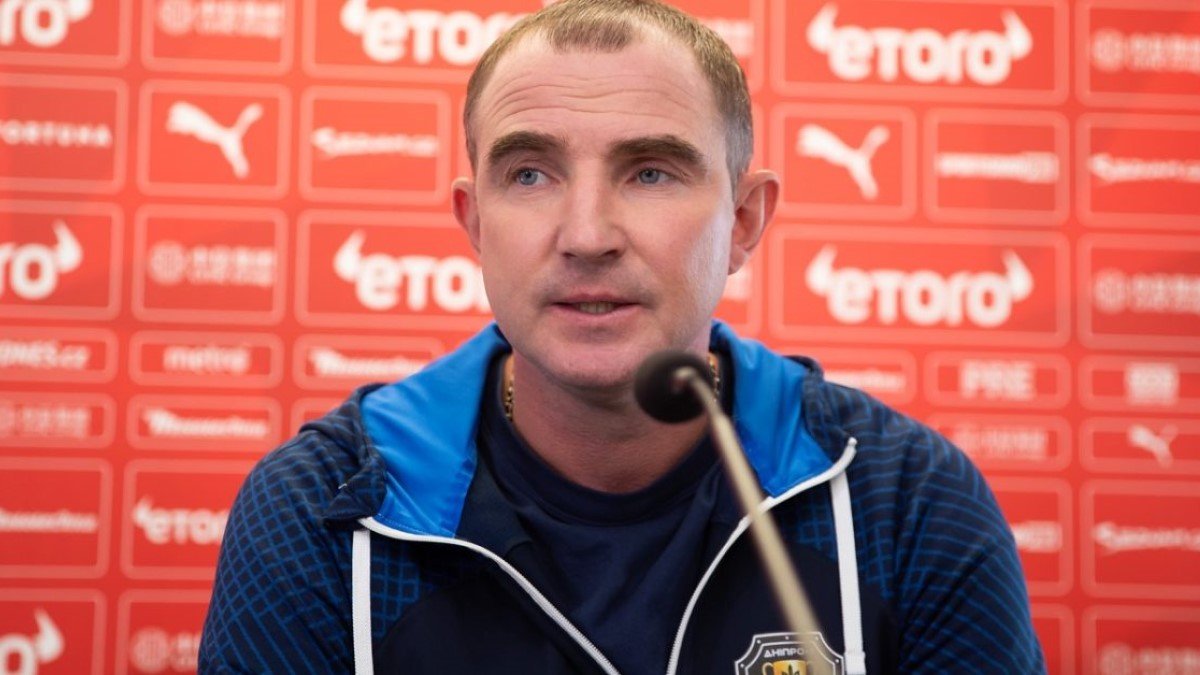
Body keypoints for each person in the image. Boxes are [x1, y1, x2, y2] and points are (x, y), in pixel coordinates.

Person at [199, 1, 1045, 673]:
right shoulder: (321, 512)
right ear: (475, 221)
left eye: (649, 172)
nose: (587, 234)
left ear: (744, 221)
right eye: (530, 173)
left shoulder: (905, 506)